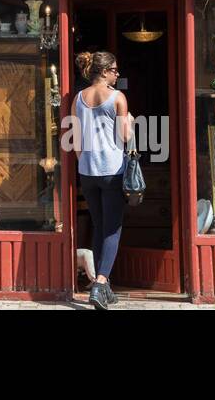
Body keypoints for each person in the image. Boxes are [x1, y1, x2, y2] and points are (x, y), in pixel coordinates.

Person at [73, 50, 132, 310]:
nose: (118, 74)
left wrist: (85, 162)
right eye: (115, 70)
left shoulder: (78, 98)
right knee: (112, 229)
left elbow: (75, 140)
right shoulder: (118, 97)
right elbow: (125, 137)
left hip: (87, 171)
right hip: (112, 169)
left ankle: (104, 289)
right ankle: (100, 282)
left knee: (99, 226)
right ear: (105, 71)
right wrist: (129, 121)